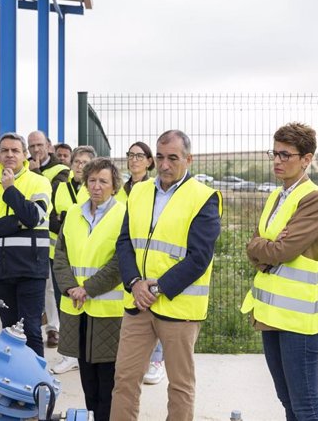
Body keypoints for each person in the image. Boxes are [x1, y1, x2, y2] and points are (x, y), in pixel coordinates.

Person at [110, 130, 222, 421]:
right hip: (138, 305)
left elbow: (199, 257)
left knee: (180, 387)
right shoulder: (140, 191)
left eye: (173, 158)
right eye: (160, 157)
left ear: (188, 159)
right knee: (124, 381)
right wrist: (135, 284)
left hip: (178, 308)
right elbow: (124, 242)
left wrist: (156, 288)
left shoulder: (203, 197)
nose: (165, 165)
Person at [241, 122, 318, 421]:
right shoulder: (276, 196)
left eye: (286, 155)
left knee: (305, 405)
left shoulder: (314, 199)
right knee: (287, 400)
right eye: (275, 153)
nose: (277, 161)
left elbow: (280, 250)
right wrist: (262, 249)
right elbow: (257, 244)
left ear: (306, 159)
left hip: (300, 321)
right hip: (271, 314)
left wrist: (262, 248)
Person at [53, 158, 125, 421]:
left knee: (108, 379)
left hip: (107, 311)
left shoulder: (122, 215)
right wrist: (71, 286)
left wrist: (88, 289)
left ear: (114, 186)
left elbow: (120, 262)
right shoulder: (74, 213)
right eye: (92, 180)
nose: (96, 187)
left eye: (103, 181)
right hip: (77, 308)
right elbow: (60, 253)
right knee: (87, 376)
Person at [0, 132, 52, 356]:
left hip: (30, 269)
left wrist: (10, 189)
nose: (9, 155)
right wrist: (17, 222)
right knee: (8, 331)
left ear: (25, 154)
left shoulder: (39, 182)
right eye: (4, 150)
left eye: (15, 150)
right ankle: (14, 382)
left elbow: (33, 217)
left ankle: (36, 383)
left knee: (30, 330)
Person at [119, 141, 164, 385]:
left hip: (148, 255)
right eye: (130, 155)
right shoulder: (122, 188)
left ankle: (156, 360)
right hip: (126, 253)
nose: (134, 159)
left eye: (139, 155)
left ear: (149, 161)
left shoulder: (153, 188)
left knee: (151, 308)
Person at [50, 145, 96, 375]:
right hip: (59, 256)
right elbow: (51, 218)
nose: (80, 166)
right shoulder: (61, 186)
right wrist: (66, 221)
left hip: (87, 258)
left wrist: (66, 219)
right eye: (77, 162)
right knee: (64, 304)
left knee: (86, 305)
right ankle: (69, 354)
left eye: (85, 163)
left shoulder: (95, 189)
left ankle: (85, 352)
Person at [27, 130, 70, 348]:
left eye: (39, 145)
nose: (35, 149)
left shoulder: (61, 170)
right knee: (38, 285)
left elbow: (51, 196)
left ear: (48, 146)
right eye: (31, 146)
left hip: (51, 237)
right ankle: (39, 324)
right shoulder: (25, 166)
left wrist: (37, 175)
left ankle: (54, 329)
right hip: (29, 235)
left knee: (52, 286)